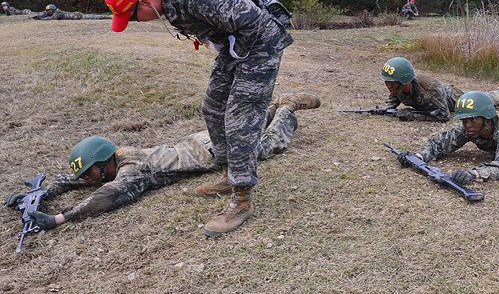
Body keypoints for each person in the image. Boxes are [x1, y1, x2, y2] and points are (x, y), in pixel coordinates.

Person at [103, 0, 293, 235]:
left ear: (145, 4)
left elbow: (253, 20)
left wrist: (241, 49)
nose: (135, 22)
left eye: (132, 17)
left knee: (240, 117)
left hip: (260, 40)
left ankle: (242, 199)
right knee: (213, 105)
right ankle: (230, 173)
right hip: (235, 40)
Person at [4, 93, 319, 236]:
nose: (89, 180)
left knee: (266, 146)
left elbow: (108, 196)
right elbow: (77, 178)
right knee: (245, 127)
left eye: (92, 174)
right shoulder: (114, 158)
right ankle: (272, 105)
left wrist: (60, 218)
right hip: (198, 141)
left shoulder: (131, 169)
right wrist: (43, 192)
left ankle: (287, 107)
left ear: (104, 163)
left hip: (209, 153)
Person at [380, 56, 499, 122]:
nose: (389, 86)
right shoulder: (398, 87)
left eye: (392, 82)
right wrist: (389, 109)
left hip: (455, 99)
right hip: (436, 102)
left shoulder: (430, 90)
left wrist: (414, 116)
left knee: (485, 100)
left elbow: (444, 115)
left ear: (405, 81)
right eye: (387, 82)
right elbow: (395, 95)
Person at [30, 3, 109, 20]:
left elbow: (51, 18)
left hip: (77, 16)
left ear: (53, 9)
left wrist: (40, 19)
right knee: (92, 16)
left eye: (49, 10)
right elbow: (45, 14)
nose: (48, 12)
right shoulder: (55, 12)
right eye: (48, 10)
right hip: (76, 15)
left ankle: (107, 16)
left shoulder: (57, 13)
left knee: (94, 17)